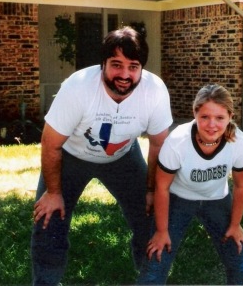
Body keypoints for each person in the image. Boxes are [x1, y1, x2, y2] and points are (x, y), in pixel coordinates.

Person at [31, 26, 173, 285]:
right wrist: (53, 192)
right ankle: (46, 281)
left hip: (123, 157)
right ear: (103, 64)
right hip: (70, 156)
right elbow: (50, 143)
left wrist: (151, 190)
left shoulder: (155, 90)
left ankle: (149, 279)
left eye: (133, 66)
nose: (125, 75)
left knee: (152, 216)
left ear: (142, 68)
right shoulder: (78, 87)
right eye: (116, 65)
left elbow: (158, 146)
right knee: (48, 220)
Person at [137, 84, 243, 285]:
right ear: (195, 114)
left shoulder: (239, 142)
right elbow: (162, 187)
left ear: (230, 116)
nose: (212, 125)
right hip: (178, 199)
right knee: (157, 257)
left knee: (239, 256)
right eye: (205, 117)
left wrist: (235, 225)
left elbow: (241, 186)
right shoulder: (177, 141)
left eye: (219, 118)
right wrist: (162, 230)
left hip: (217, 199)